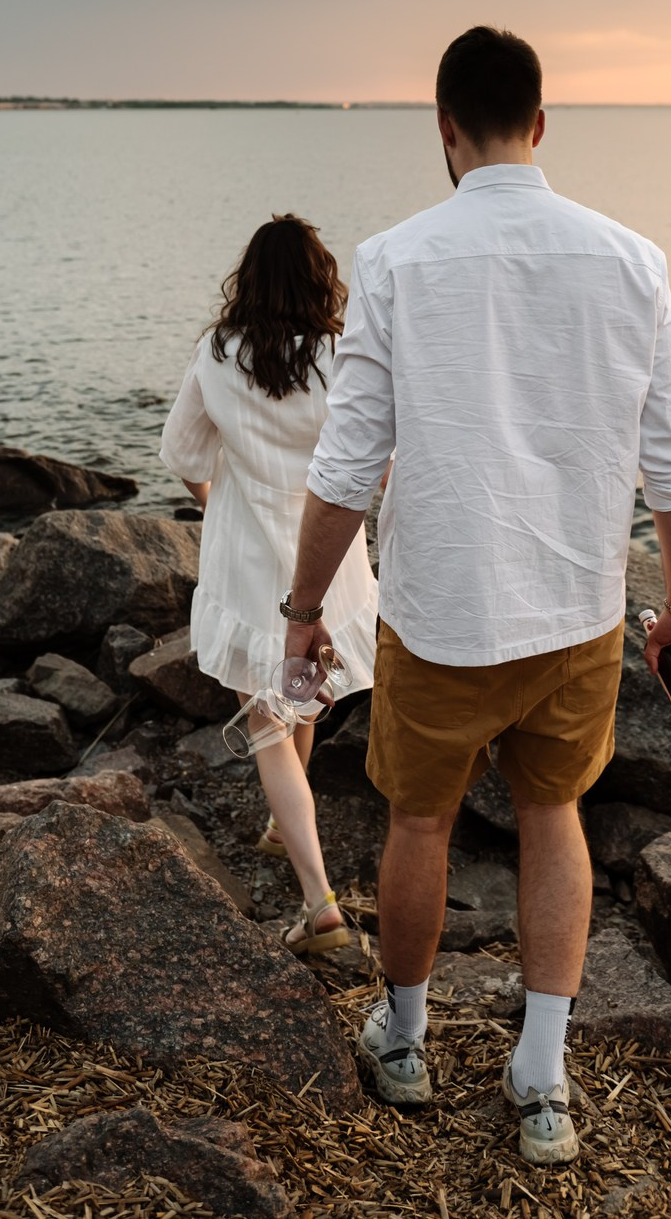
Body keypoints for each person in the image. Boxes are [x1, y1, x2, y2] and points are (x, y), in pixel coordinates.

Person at [277, 27, 671, 1166]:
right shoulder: (633, 260)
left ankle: (406, 1040)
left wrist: (302, 608)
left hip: (439, 614)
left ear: (444, 129)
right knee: (553, 815)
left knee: (419, 821)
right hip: (575, 611)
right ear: (540, 123)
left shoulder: (393, 261)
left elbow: (347, 466)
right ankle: (541, 1074)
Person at [159, 213, 379, 956]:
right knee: (299, 692)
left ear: (247, 280)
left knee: (266, 724)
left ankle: (319, 904)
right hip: (328, 559)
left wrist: (217, 504)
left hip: (249, 564)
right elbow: (375, 459)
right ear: (321, 281)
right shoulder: (342, 355)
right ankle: (285, 825)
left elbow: (182, 451)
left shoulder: (218, 351)